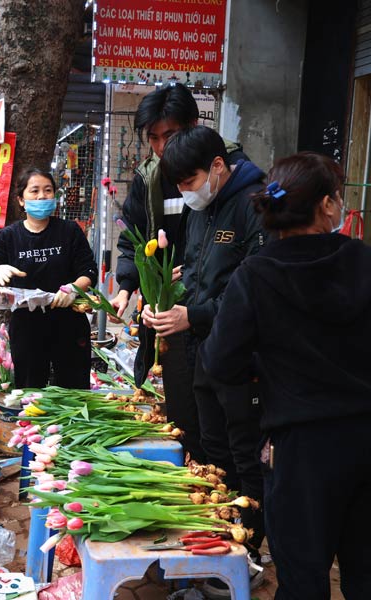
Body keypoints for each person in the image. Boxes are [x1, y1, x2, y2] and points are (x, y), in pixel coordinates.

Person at [201, 156, 371, 599]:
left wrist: (266, 380)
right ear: (327, 206)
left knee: (303, 577)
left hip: (306, 447)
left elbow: (220, 363)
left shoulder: (255, 276)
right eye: (338, 196)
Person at [142, 126, 267, 589]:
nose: (185, 193)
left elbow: (252, 292)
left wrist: (192, 314)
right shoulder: (202, 208)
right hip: (204, 354)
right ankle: (219, 542)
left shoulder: (255, 203)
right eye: (177, 186)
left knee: (243, 455)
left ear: (218, 166)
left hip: (241, 359)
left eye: (189, 180)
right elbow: (202, 270)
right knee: (212, 452)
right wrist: (173, 290)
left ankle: (248, 552)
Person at [109, 83, 247, 464]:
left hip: (212, 311)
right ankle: (198, 478)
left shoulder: (228, 176)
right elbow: (134, 238)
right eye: (152, 138)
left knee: (219, 424)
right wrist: (128, 285)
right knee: (184, 409)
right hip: (170, 308)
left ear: (192, 125)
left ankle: (220, 487)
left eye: (168, 135)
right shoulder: (150, 177)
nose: (159, 147)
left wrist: (197, 273)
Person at [0, 168, 97, 389]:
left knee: (74, 390)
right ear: (21, 200)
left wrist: (72, 288)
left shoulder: (69, 231)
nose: (42, 196)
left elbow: (89, 271)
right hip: (28, 329)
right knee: (31, 391)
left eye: (48, 190)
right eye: (34, 191)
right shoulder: (9, 236)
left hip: (69, 325)